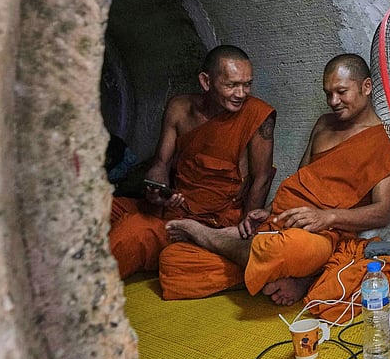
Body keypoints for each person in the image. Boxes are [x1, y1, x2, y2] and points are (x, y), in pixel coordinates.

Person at [157, 53, 390, 318]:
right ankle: (282, 274)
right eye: (328, 93)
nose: (333, 101)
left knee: (293, 249)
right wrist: (269, 210)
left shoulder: (387, 141)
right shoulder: (323, 124)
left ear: (366, 87)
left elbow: (384, 211)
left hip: (321, 235)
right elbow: (301, 180)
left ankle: (217, 238)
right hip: (281, 221)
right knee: (174, 262)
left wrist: (327, 217)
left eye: (341, 92)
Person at [109, 45, 275, 280]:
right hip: (172, 203)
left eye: (247, 84)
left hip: (209, 221)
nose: (241, 93)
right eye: (231, 85)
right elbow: (160, 163)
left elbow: (262, 177)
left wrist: (242, 235)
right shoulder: (180, 108)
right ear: (206, 81)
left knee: (133, 231)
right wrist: (157, 189)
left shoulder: (257, 116)